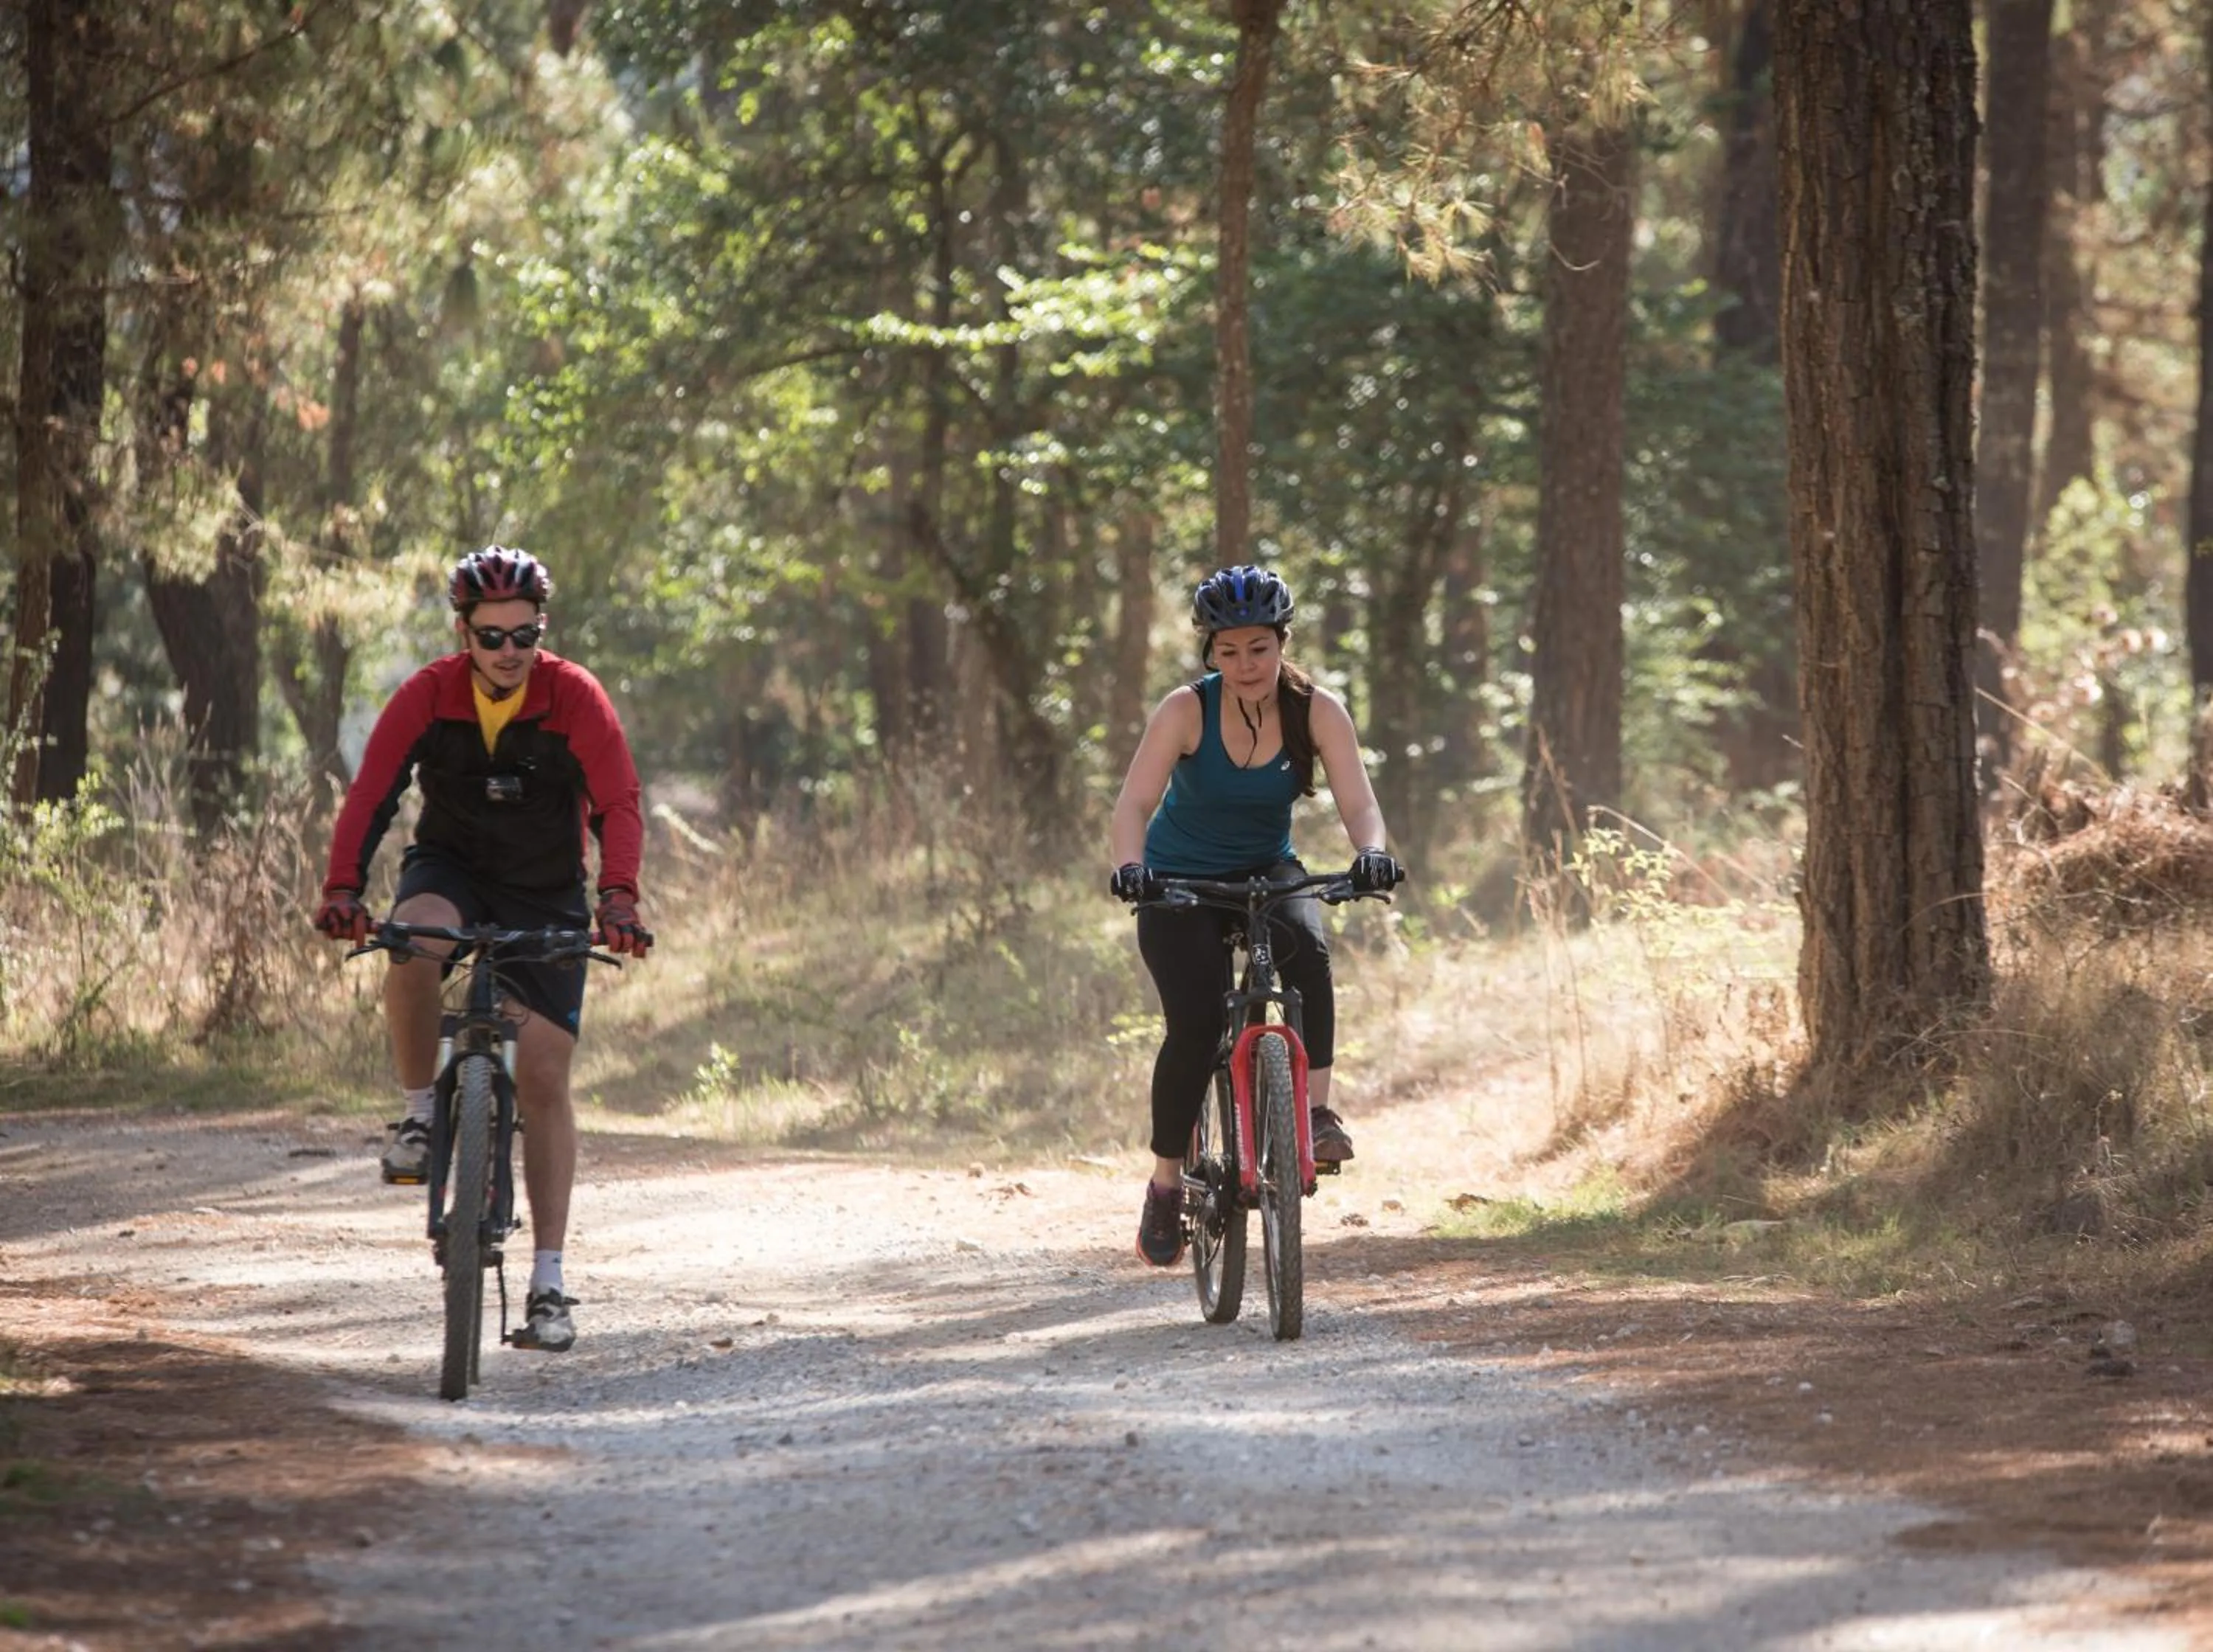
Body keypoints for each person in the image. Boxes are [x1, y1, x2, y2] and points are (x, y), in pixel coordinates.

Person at [313, 546, 651, 1353]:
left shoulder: (575, 697)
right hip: (452, 869)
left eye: (524, 634)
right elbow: (373, 793)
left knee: (542, 1073)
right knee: (415, 939)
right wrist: (343, 889)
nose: (509, 651)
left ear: (543, 629)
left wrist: (620, 897)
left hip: (546, 889)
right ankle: (422, 1114)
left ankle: (549, 1283)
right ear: (462, 631)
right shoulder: (427, 695)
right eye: (492, 635)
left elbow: (619, 802)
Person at [1107, 564, 1404, 1267]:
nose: (1245, 665)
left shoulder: (1316, 710)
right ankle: (1164, 1182)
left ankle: (1317, 1114)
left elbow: (1360, 803)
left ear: (1282, 643)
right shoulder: (1185, 710)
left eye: (1259, 649)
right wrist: (1130, 867)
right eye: (1229, 650)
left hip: (1266, 869)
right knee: (1197, 1024)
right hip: (1178, 880)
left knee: (1309, 946)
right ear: (1210, 651)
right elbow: (1133, 806)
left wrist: (1372, 852)